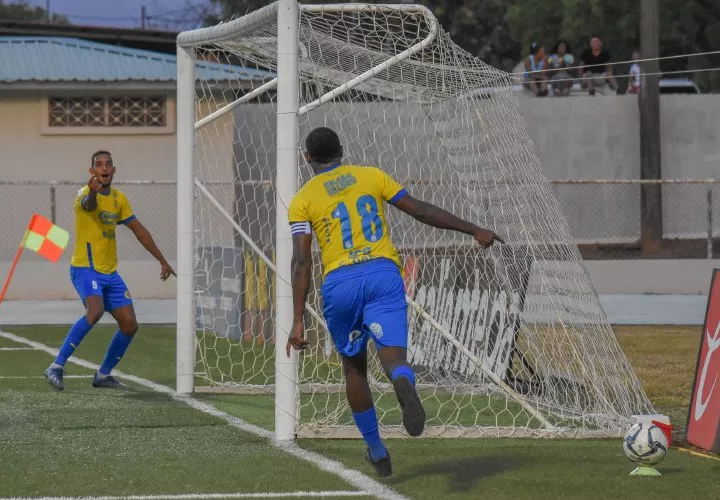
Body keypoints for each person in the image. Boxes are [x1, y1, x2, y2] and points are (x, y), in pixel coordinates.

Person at [286, 127, 504, 477]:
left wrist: (298, 319)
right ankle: (402, 379)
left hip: (340, 282)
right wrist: (474, 229)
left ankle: (377, 451)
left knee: (354, 368)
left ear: (307, 158)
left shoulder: (302, 199)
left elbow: (301, 260)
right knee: (394, 356)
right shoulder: (371, 176)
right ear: (342, 151)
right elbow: (419, 210)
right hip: (382, 274)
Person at [44, 151, 174, 391]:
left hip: (110, 273)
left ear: (113, 170)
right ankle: (56, 366)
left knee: (130, 325)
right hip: (85, 268)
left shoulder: (119, 199)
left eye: (108, 164)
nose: (103, 168)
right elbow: (89, 204)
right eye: (99, 165)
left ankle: (103, 375)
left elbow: (139, 230)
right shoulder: (84, 194)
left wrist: (162, 260)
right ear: (92, 171)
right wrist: (92, 191)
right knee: (95, 311)